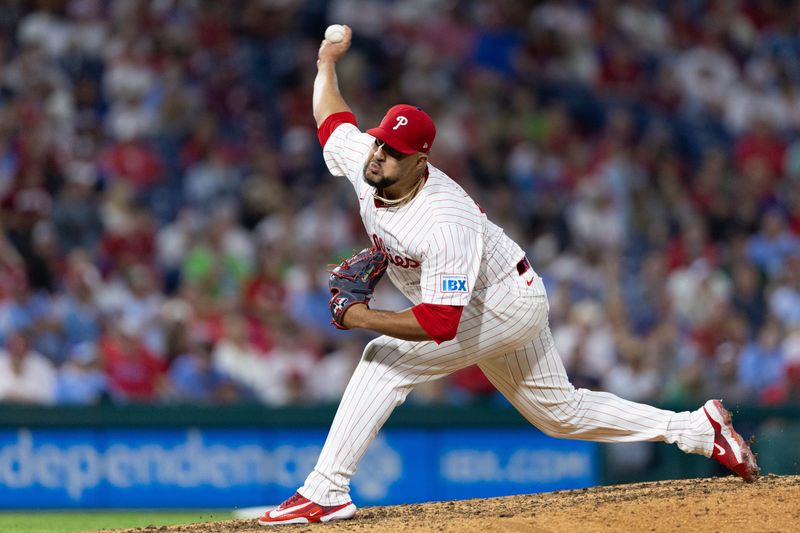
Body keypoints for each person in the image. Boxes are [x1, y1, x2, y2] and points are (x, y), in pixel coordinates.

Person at [258, 26, 760, 526]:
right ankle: (698, 429)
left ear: (421, 159)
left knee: (384, 359)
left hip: (501, 301)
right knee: (560, 414)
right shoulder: (369, 158)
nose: (379, 155)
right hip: (499, 293)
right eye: (380, 143)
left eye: (393, 151)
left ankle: (325, 491)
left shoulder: (442, 220)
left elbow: (438, 324)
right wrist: (326, 64)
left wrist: (364, 317)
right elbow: (332, 119)